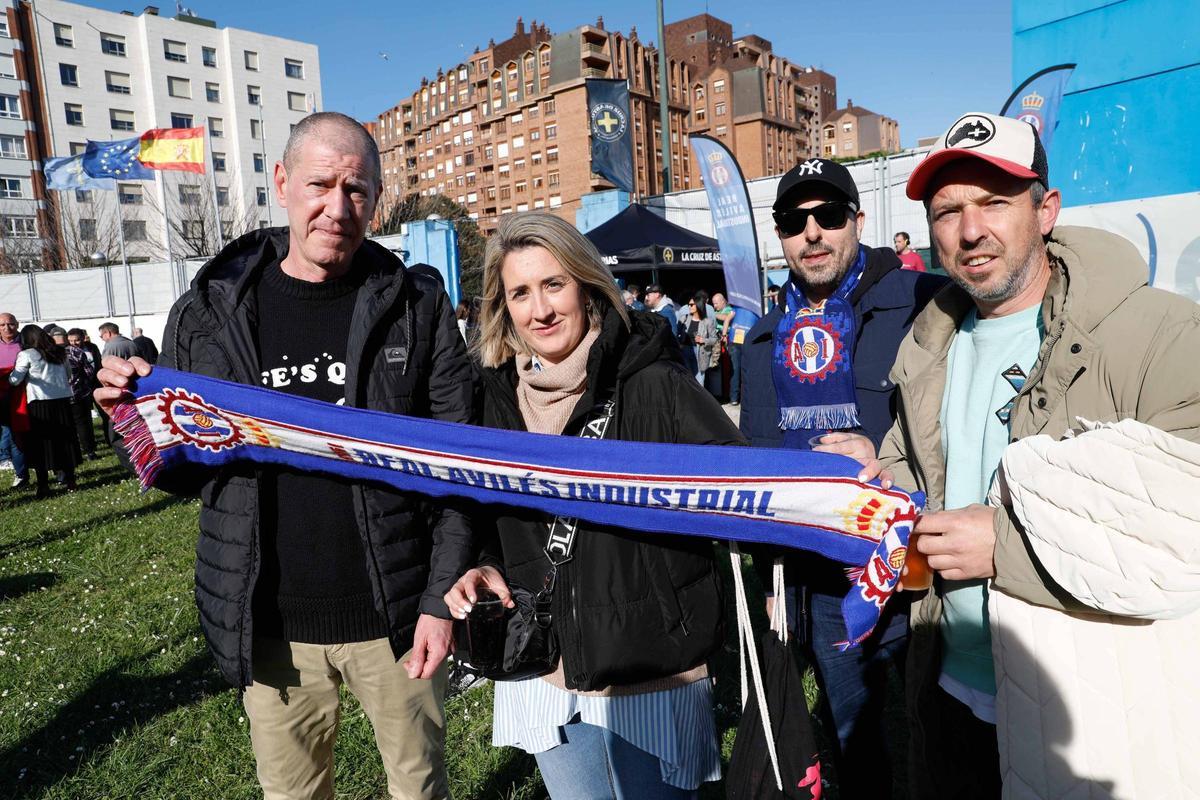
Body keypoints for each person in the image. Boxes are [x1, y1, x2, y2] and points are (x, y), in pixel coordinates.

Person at [95, 111, 473, 800]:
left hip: (398, 613)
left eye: (357, 189)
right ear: (281, 182)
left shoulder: (417, 306)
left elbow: (461, 470)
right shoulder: (210, 312)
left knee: (420, 787)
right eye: (320, 184)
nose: (338, 207)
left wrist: (439, 601)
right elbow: (181, 471)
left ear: (377, 197)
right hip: (269, 623)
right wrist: (130, 419)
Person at [861, 112, 1200, 798]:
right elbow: (915, 468)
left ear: (1046, 211)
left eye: (994, 202)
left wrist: (1010, 546)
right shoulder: (927, 345)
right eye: (947, 211)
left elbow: (1185, 529)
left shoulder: (1161, 334)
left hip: (1090, 712)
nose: (970, 230)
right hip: (947, 688)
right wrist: (869, 475)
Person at [445, 211, 742, 799]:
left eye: (554, 284)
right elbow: (482, 516)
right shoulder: (493, 399)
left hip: (652, 667)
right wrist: (483, 563)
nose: (540, 310)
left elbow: (742, 485)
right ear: (503, 307)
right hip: (543, 670)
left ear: (586, 286)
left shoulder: (654, 381)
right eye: (520, 293)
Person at [739, 156, 945, 797]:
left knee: (941, 743)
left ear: (857, 220)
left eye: (828, 215)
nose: (813, 233)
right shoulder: (763, 340)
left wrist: (884, 455)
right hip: (824, 585)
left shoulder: (922, 303)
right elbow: (758, 463)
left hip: (920, 569)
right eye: (794, 221)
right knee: (857, 745)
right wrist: (771, 575)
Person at [9, 324, 79, 496]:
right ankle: (70, 480)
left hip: (39, 403)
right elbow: (69, 374)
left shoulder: (27, 354)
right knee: (65, 441)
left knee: (40, 445)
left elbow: (15, 380)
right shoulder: (60, 352)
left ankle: (43, 485)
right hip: (62, 401)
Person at [0, 311, 27, 488]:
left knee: (23, 435)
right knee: (9, 434)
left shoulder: (26, 343)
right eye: (2, 325)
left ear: (17, 324)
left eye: (10, 324)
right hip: (2, 398)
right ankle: (20, 473)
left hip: (25, 395)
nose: (7, 328)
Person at [63, 328, 98, 460]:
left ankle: (76, 452)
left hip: (64, 394)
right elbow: (89, 372)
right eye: (71, 340)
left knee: (71, 424)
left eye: (76, 340)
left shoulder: (58, 353)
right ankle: (89, 451)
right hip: (79, 392)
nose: (74, 343)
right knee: (83, 423)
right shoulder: (77, 352)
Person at [685, 290, 719, 394]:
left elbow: (714, 339)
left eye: (691, 305)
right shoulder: (685, 319)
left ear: (698, 306)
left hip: (700, 352)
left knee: (699, 381)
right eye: (689, 304)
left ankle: (699, 401)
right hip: (685, 351)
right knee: (687, 379)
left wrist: (703, 340)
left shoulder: (708, 322)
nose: (689, 306)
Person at [712, 292, 738, 404]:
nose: (714, 306)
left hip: (726, 340)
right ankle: (721, 392)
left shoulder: (728, 309)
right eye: (713, 304)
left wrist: (712, 314)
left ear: (723, 302)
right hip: (717, 341)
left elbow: (725, 318)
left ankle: (728, 394)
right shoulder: (716, 311)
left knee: (728, 368)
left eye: (716, 303)